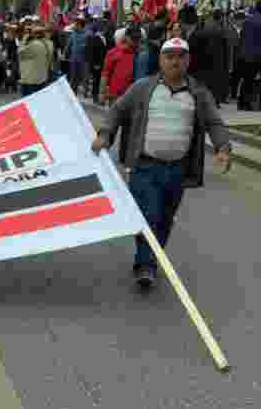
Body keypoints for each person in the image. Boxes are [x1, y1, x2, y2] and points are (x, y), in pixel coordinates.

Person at [91, 37, 232, 289]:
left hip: (178, 170)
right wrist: (105, 135)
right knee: (149, 215)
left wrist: (222, 147)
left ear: (188, 60)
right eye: (170, 56)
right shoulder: (143, 88)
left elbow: (214, 122)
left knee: (165, 218)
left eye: (180, 56)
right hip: (144, 167)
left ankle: (151, 258)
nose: (175, 61)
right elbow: (117, 112)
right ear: (160, 60)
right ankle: (145, 265)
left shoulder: (198, 92)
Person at [189, 9, 231, 105]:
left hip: (206, 59)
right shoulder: (220, 30)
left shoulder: (205, 27)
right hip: (216, 60)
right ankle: (214, 100)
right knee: (215, 82)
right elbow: (224, 48)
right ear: (221, 18)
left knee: (208, 82)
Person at [101, 26, 141, 105]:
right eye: (133, 38)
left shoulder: (140, 54)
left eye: (138, 38)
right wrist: (102, 93)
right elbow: (105, 74)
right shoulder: (114, 52)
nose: (135, 41)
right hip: (115, 95)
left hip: (133, 96)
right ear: (126, 37)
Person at [18, 22, 54, 97]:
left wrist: (24, 40)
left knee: (28, 102)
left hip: (30, 79)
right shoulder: (50, 43)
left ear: (35, 34)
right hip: (43, 78)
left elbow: (20, 53)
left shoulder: (33, 45)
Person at [237, 1, 261, 111]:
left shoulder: (247, 21)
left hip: (245, 55)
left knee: (247, 79)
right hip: (257, 55)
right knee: (254, 81)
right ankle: (253, 103)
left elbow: (241, 38)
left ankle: (242, 103)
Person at [64, 18, 89, 95]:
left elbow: (90, 48)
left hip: (84, 61)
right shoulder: (73, 34)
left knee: (84, 77)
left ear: (81, 25)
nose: (74, 26)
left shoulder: (87, 35)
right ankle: (73, 93)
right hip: (73, 60)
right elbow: (68, 45)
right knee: (73, 77)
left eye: (76, 24)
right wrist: (65, 54)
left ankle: (85, 92)